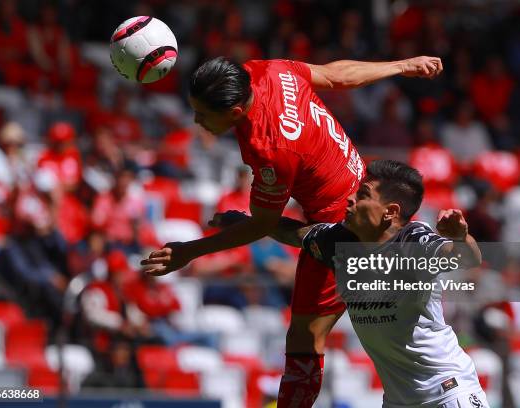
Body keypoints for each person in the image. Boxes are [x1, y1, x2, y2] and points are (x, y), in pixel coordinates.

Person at [141, 55, 443, 406]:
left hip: (346, 228)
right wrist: (401, 66)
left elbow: (263, 224)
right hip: (358, 185)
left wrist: (188, 252)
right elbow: (333, 75)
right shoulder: (267, 71)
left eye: (203, 115)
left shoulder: (270, 148)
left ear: (236, 112)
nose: (196, 120)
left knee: (307, 337)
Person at [212, 160, 489, 407]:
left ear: (390, 211)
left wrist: (461, 238)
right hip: (398, 401)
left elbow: (467, 258)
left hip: (448, 393)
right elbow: (293, 233)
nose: (350, 199)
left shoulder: (413, 240)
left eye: (363, 194)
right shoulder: (338, 242)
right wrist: (246, 222)